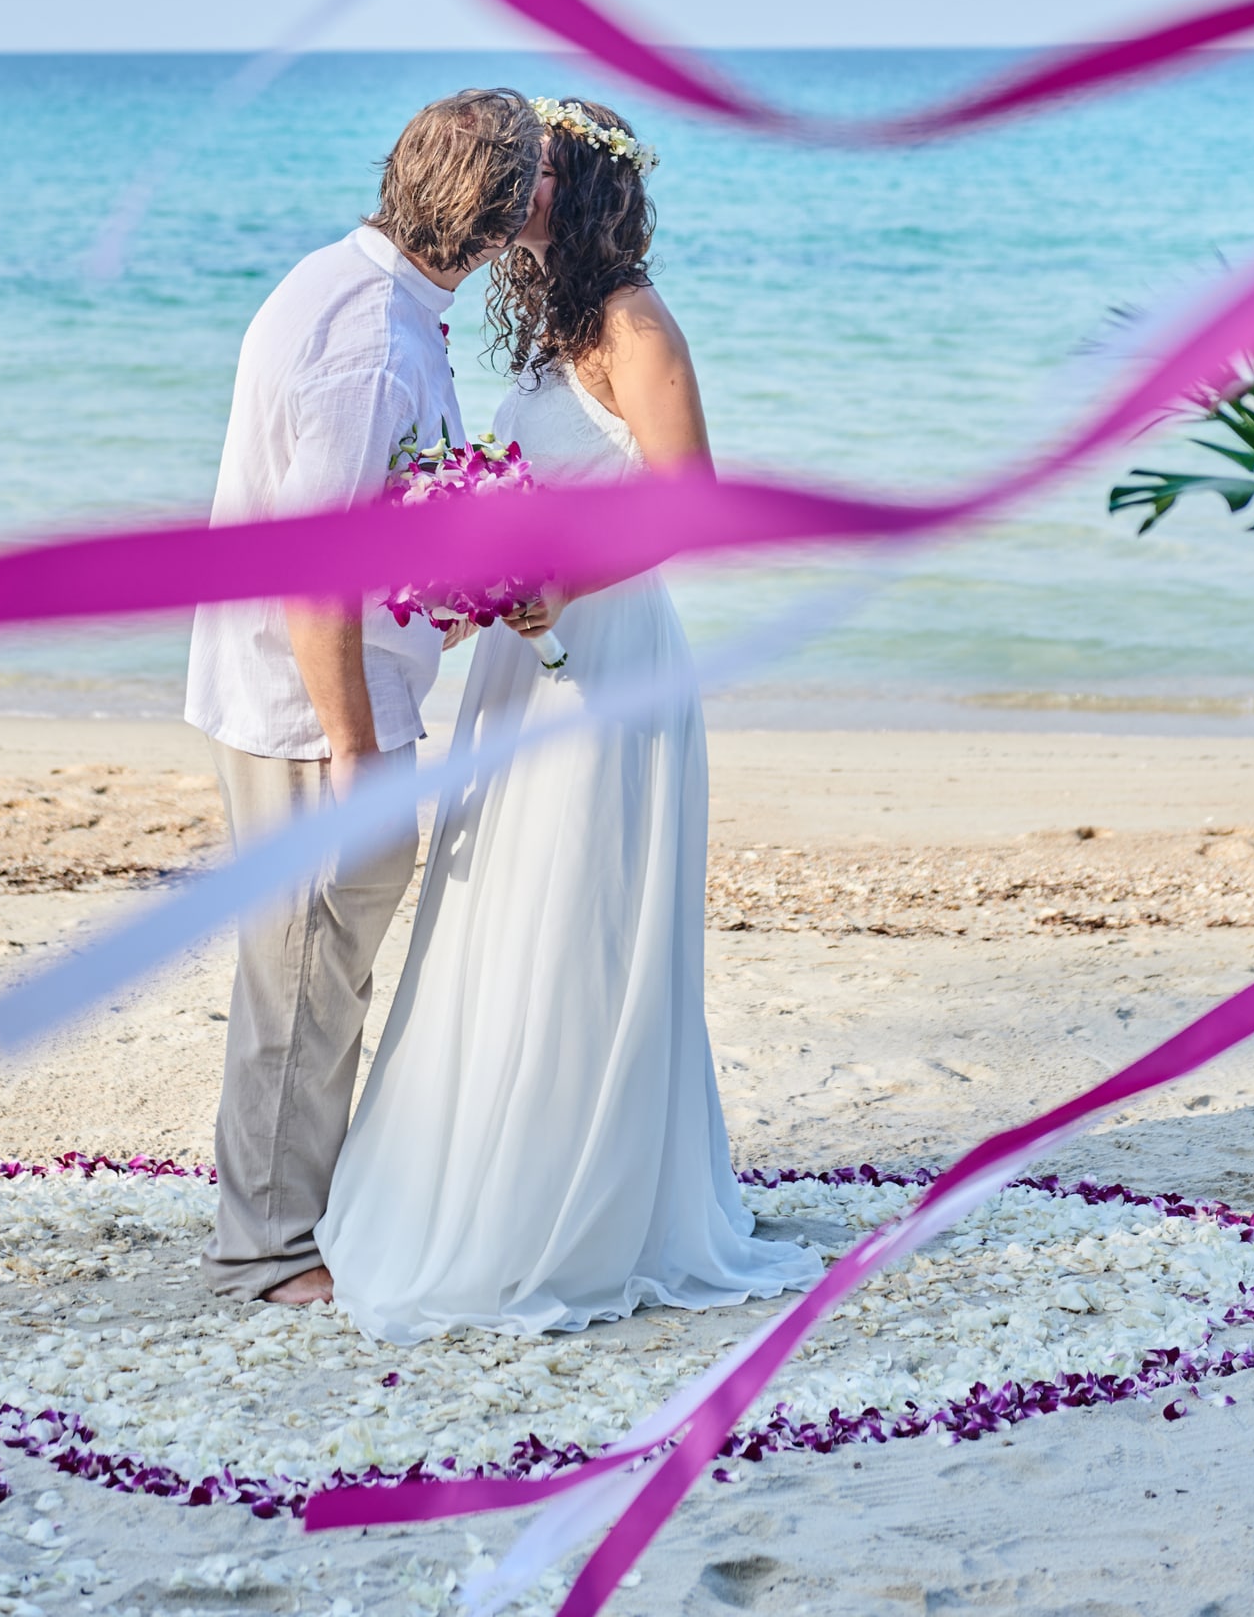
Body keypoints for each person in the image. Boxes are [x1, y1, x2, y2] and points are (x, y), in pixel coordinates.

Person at [317, 95, 817, 1338]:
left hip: (607, 664)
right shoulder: (553, 325)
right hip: (522, 667)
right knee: (504, 910)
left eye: (533, 172)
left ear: (582, 188)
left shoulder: (635, 321)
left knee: (582, 918)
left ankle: (583, 1207)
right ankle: (482, 1176)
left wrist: (550, 580)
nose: (509, 188)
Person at [186, 87, 543, 1304]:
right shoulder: (370, 341)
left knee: (314, 964)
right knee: (305, 969)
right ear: (488, 227)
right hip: (310, 711)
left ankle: (298, 1212)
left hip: (317, 690)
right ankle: (271, 1247)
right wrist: (354, 748)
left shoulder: (369, 292)